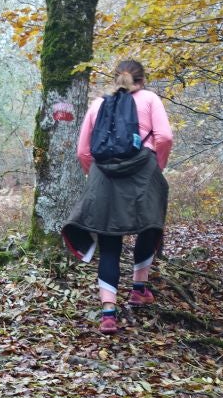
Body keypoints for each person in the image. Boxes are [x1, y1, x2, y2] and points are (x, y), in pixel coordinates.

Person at [62, 60, 174, 336]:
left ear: (116, 79)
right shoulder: (150, 99)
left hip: (103, 177)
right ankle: (139, 289)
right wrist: (156, 166)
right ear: (143, 79)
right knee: (149, 226)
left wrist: (95, 176)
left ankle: (108, 314)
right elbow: (164, 137)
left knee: (109, 241)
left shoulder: (98, 104)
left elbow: (83, 152)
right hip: (143, 172)